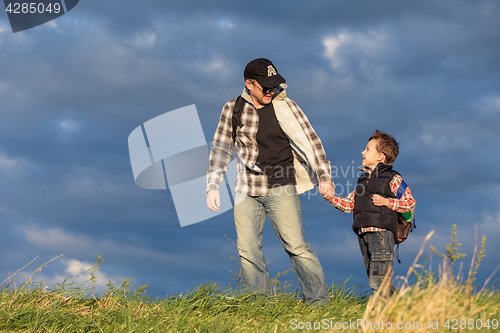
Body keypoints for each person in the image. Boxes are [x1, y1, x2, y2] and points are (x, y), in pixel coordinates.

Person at [206, 58, 334, 304]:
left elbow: (312, 141)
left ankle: (319, 303)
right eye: (265, 87)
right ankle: (260, 305)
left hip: (281, 185)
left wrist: (325, 178)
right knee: (248, 250)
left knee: (296, 246)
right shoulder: (233, 108)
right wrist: (212, 185)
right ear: (249, 84)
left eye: (274, 86)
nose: (271, 91)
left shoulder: (286, 106)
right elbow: (221, 148)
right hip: (246, 188)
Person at [329, 130, 416, 297]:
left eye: (368, 149)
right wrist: (332, 198)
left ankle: (382, 317)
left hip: (381, 234)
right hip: (363, 235)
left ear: (380, 157)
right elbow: (350, 205)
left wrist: (387, 202)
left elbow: (410, 203)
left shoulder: (393, 177)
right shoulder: (362, 179)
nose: (363, 152)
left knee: (378, 281)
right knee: (378, 280)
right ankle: (403, 306)